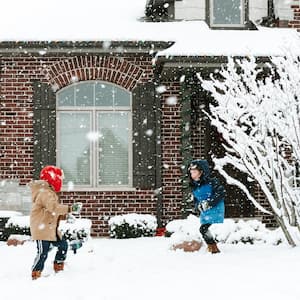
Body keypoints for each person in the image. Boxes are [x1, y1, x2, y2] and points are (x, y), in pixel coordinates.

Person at [29, 165, 82, 280]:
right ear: (52, 178)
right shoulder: (45, 193)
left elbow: (52, 211)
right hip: (42, 230)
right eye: (59, 178)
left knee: (63, 245)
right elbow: (54, 208)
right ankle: (36, 273)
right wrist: (70, 208)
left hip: (50, 229)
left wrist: (65, 216)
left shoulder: (48, 192)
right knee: (42, 253)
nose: (61, 181)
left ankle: (58, 266)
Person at [188, 159, 225, 254]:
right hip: (205, 211)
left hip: (215, 208)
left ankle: (214, 249)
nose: (192, 175)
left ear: (201, 172)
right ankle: (212, 247)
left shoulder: (212, 182)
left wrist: (209, 203)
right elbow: (196, 200)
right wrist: (197, 207)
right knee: (203, 229)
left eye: (194, 172)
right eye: (191, 173)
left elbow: (220, 193)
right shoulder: (195, 186)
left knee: (203, 229)